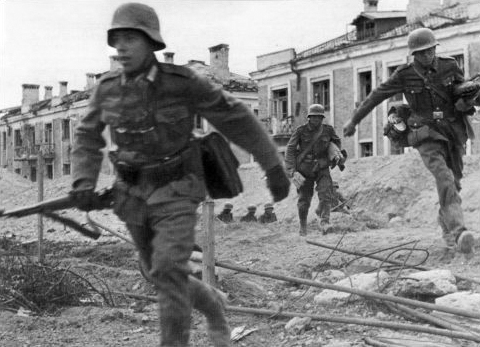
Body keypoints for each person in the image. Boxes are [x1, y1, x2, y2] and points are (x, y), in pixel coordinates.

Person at [69, 3, 290, 346]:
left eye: (130, 38)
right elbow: (86, 136)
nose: (122, 47)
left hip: (177, 188)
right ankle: (214, 305)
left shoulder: (183, 83)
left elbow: (237, 117)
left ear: (151, 42)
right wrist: (82, 181)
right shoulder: (107, 87)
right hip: (131, 194)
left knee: (169, 270)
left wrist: (272, 165)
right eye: (118, 39)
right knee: (158, 273)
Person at [343, 27, 475, 262]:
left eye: (432, 50)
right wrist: (354, 120)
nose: (429, 55)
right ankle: (459, 232)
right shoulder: (404, 75)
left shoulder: (450, 66)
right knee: (444, 178)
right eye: (423, 52)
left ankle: (447, 230)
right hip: (425, 134)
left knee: (454, 182)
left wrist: (468, 100)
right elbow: (376, 96)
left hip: (452, 132)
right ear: (414, 54)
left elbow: (463, 92)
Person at [285, 104, 342, 236]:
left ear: (322, 118)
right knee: (304, 200)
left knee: (326, 194)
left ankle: (325, 223)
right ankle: (303, 225)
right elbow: (290, 149)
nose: (316, 120)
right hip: (304, 169)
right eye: (314, 117)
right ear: (309, 118)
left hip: (321, 166)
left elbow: (336, 143)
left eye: (319, 117)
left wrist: (332, 156)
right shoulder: (301, 131)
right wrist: (292, 170)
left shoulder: (328, 130)